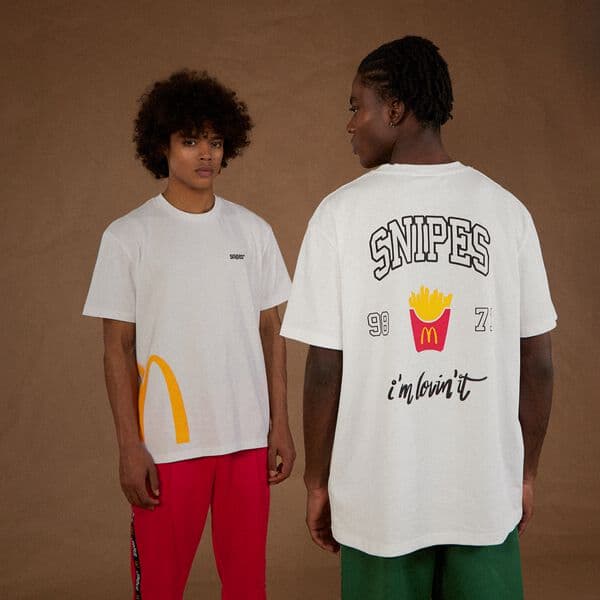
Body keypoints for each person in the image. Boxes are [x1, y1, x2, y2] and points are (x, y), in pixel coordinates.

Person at [281, 36, 556, 599]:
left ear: (395, 109)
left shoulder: (338, 215)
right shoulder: (508, 212)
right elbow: (539, 361)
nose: (350, 124)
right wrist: (524, 473)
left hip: (377, 500)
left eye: (356, 106)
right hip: (483, 494)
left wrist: (317, 481)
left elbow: (325, 367)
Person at [83, 69, 295, 600]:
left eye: (216, 142)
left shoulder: (254, 231)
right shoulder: (128, 236)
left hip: (247, 440)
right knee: (160, 587)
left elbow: (272, 332)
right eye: (191, 140)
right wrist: (129, 446)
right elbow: (117, 348)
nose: (206, 154)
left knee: (247, 588)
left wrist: (280, 424)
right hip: (167, 445)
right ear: (162, 145)